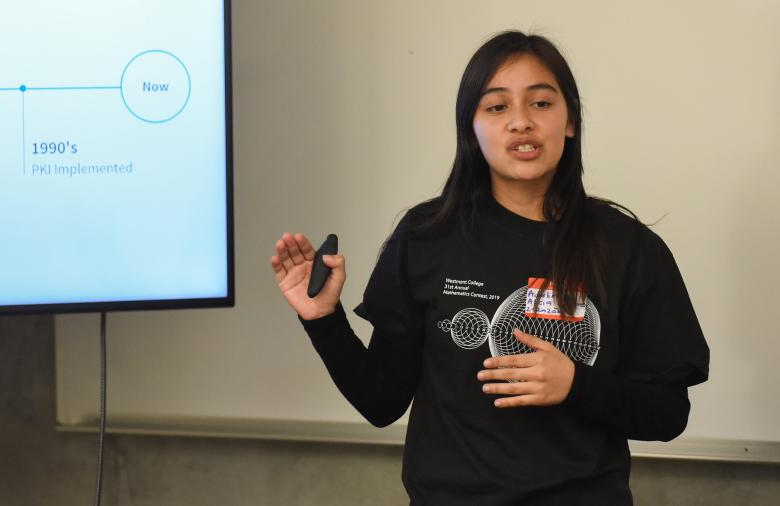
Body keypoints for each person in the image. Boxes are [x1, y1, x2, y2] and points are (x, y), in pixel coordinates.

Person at [270, 30, 709, 505]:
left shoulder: (630, 248)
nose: (520, 123)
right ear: (471, 128)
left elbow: (668, 414)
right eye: (497, 107)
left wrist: (576, 385)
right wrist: (323, 320)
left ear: (570, 121)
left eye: (541, 104)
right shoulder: (425, 237)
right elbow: (381, 402)